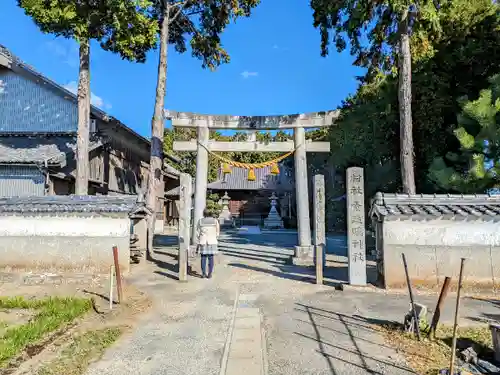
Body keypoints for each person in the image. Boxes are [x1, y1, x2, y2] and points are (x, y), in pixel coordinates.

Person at [196, 208, 220, 278]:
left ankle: (203, 274)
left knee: (203, 257)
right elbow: (217, 232)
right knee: (211, 258)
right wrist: (215, 237)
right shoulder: (215, 221)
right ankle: (209, 274)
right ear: (211, 213)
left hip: (203, 241)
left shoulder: (200, 221)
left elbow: (197, 232)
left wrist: (200, 237)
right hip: (212, 241)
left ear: (204, 213)